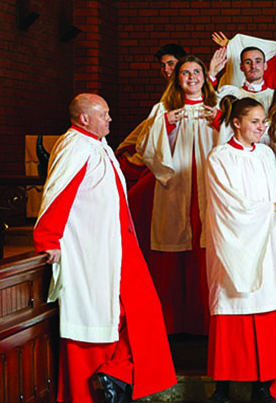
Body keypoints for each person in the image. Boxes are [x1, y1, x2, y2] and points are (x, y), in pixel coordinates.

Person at [34, 94, 176, 403]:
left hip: (117, 244)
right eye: (104, 114)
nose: (110, 119)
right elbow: (58, 194)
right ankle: (110, 381)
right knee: (107, 317)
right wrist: (49, 239)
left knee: (145, 311)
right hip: (95, 247)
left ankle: (116, 375)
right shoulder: (75, 146)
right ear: (84, 118)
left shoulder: (97, 146)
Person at [203, 97, 276, 403]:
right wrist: (274, 207)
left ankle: (262, 385)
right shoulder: (219, 158)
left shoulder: (266, 155)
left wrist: (272, 211)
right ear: (236, 123)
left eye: (263, 122)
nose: (261, 127)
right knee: (231, 308)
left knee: (264, 310)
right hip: (233, 246)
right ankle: (222, 388)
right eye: (254, 122)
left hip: (265, 244)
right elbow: (228, 205)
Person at [137, 55, 221, 335]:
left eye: (197, 72)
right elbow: (144, 148)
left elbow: (240, 139)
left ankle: (208, 321)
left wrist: (220, 122)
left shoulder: (218, 107)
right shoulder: (163, 109)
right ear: (177, 79)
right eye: (186, 73)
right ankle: (174, 324)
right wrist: (166, 124)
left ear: (205, 77)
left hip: (210, 187)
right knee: (175, 244)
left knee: (208, 243)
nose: (192, 77)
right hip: (175, 187)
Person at [116, 43, 187, 185]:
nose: (166, 69)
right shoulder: (166, 96)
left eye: (171, 64)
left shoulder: (188, 88)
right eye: (162, 65)